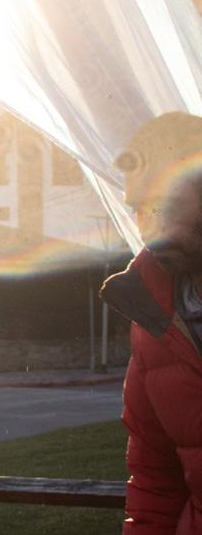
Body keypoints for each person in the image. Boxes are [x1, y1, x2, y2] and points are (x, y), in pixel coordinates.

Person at [102, 112, 202, 533]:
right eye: (139, 211)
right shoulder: (152, 320)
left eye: (161, 206)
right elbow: (154, 483)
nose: (148, 231)